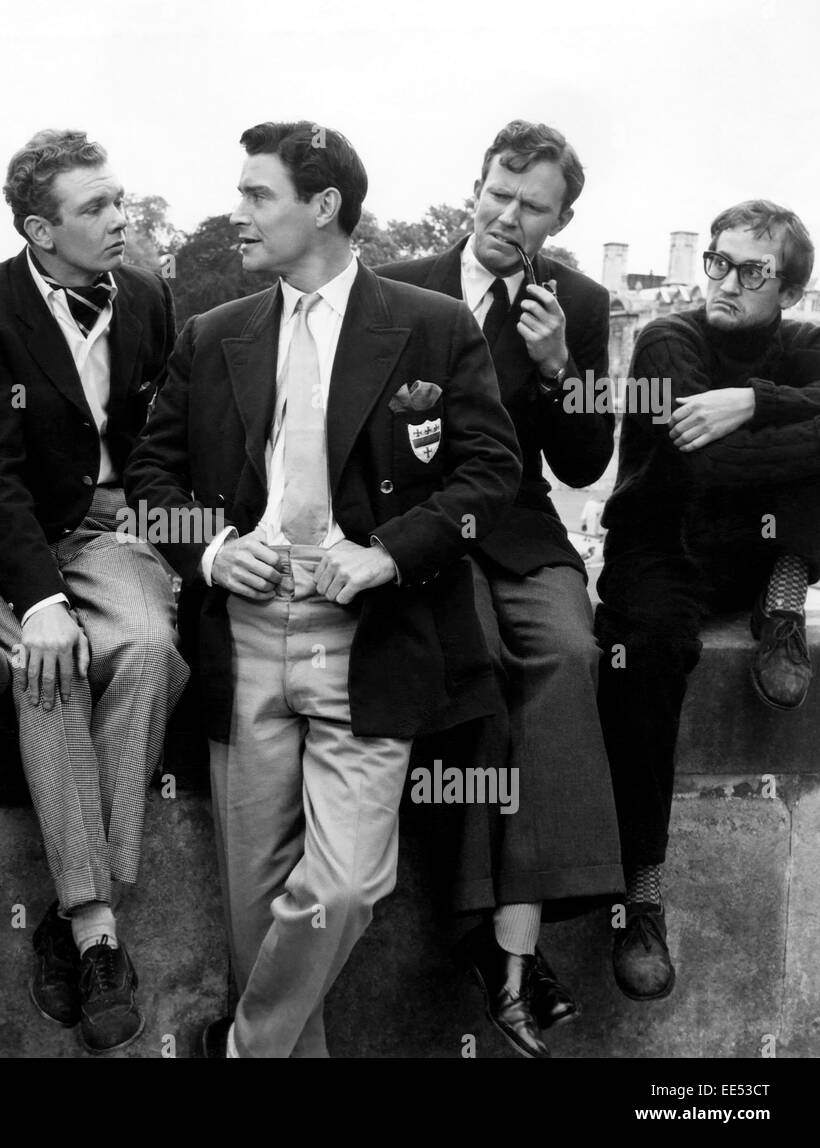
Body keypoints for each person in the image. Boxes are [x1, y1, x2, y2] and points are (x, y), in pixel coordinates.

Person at [125, 121, 522, 1058]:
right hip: (249, 638)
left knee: (344, 887)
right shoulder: (212, 334)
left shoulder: (432, 325)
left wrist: (389, 552)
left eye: (258, 194)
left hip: (370, 641)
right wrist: (213, 554)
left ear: (325, 207)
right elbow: (152, 479)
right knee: (255, 909)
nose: (240, 211)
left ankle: (242, 1049)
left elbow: (490, 477)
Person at [0, 129, 188, 1054]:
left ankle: (77, 909)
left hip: (115, 529)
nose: (121, 219)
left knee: (150, 650)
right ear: (40, 230)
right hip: (14, 540)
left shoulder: (151, 298)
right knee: (50, 669)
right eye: (95, 209)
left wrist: (162, 530)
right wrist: (39, 602)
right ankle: (94, 930)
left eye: (119, 200)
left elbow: (161, 438)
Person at [377, 120, 624, 1057]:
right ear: (473, 187)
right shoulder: (398, 284)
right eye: (497, 195)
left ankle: (504, 939)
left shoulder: (581, 303)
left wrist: (563, 369)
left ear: (561, 219)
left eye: (533, 207)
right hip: (425, 528)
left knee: (568, 655)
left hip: (520, 528)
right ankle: (503, 950)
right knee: (472, 666)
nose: (508, 218)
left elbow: (585, 460)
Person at [596, 200, 820, 1002]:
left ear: (789, 290)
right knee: (645, 663)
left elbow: (736, 451)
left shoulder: (805, 343)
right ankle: (640, 893)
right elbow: (702, 471)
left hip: (753, 553)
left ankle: (783, 599)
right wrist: (797, 414)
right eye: (716, 262)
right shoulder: (667, 338)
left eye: (752, 271)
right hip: (663, 543)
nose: (724, 281)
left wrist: (754, 401)